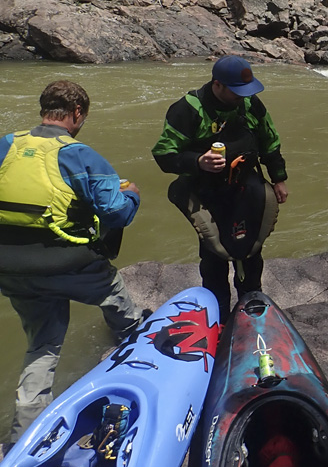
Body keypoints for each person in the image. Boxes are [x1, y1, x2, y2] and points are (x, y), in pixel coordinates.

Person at [0, 80, 145, 443]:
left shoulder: (7, 145)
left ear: (44, 108)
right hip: (69, 263)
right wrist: (132, 196)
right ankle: (133, 341)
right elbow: (115, 213)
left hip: (10, 268)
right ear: (77, 113)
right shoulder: (80, 155)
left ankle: (25, 434)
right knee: (113, 292)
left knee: (43, 345)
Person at [152, 55, 288, 322]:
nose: (242, 97)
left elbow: (269, 141)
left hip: (244, 189)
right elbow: (164, 154)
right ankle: (219, 317)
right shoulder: (188, 109)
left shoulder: (249, 103)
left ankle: (252, 310)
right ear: (217, 85)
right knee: (214, 257)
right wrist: (197, 161)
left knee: (251, 253)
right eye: (237, 91)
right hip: (207, 193)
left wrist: (279, 178)